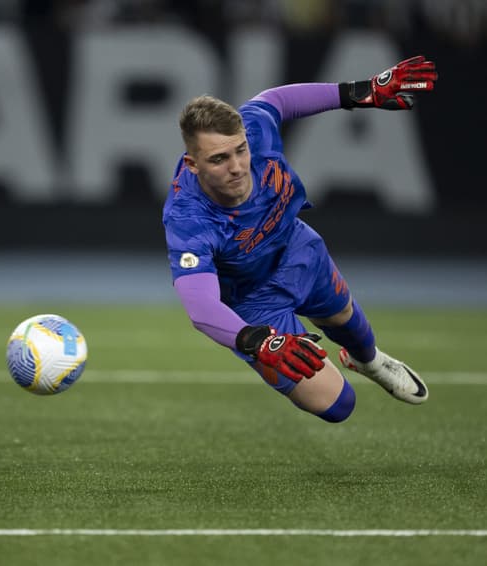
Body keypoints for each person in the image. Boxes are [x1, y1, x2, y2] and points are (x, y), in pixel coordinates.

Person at [163, 56, 437, 422]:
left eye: (240, 150)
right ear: (193, 164)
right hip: (253, 301)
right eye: (219, 159)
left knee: (343, 317)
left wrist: (357, 92)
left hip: (295, 248)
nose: (237, 166)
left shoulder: (255, 131)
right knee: (338, 406)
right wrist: (257, 340)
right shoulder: (188, 217)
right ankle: (344, 364)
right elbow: (200, 307)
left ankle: (369, 361)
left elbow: (276, 100)